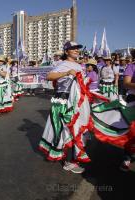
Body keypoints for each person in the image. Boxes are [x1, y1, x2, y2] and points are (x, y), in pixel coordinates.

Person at [39, 41, 86, 174]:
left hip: (76, 102)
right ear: (67, 51)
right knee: (63, 130)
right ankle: (67, 161)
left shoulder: (80, 65)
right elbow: (49, 76)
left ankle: (69, 158)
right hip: (63, 101)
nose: (77, 50)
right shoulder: (62, 64)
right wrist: (66, 73)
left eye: (77, 48)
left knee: (74, 130)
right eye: (73, 49)